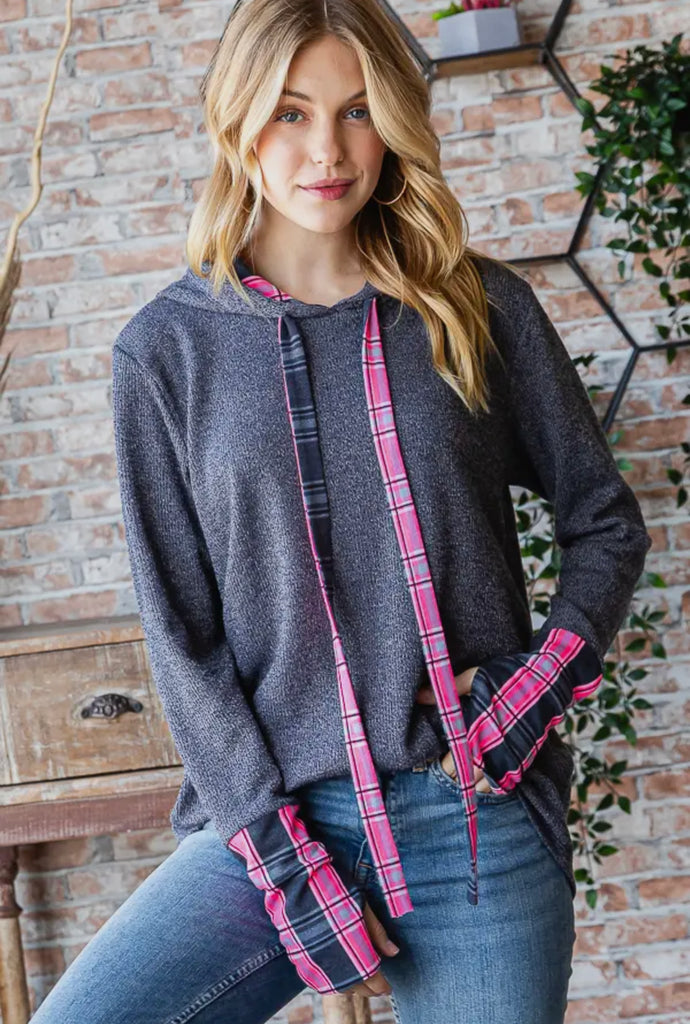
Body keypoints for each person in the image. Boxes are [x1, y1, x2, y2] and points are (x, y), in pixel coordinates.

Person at [29, 0, 652, 1021]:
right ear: (239, 121)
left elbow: (605, 521)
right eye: (291, 111)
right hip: (274, 830)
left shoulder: (476, 307)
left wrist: (526, 693)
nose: (327, 149)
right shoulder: (164, 354)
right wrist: (284, 860)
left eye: (358, 110)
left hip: (472, 818)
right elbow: (182, 637)